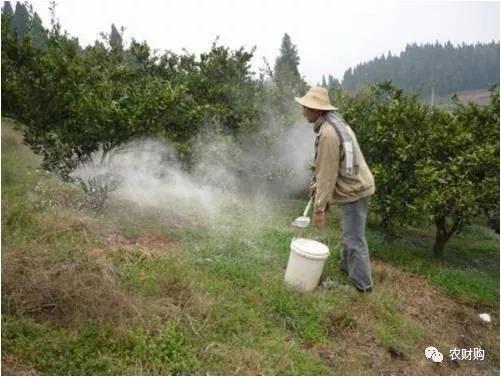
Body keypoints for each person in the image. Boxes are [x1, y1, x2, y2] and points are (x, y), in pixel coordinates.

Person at [294, 86, 375, 292]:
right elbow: (327, 168)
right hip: (355, 185)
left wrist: (320, 208)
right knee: (350, 234)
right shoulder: (334, 125)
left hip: (355, 190)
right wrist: (316, 185)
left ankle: (362, 286)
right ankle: (346, 268)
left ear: (317, 110)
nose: (303, 111)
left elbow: (328, 173)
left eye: (306, 108)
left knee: (354, 239)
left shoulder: (329, 133)